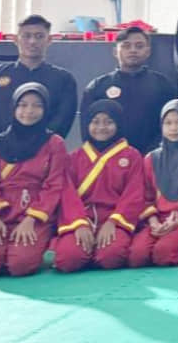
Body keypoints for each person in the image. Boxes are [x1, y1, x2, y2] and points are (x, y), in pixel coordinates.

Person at [0, 83, 69, 279]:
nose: (29, 111)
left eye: (37, 105)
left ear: (46, 109)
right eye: (23, 105)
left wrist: (31, 220)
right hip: (0, 214)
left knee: (20, 266)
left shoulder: (54, 144)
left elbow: (54, 186)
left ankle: (34, 248)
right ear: (13, 107)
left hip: (34, 215)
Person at [52, 99, 144, 272]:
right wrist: (79, 223)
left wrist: (113, 222)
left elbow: (134, 194)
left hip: (114, 219)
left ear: (119, 124)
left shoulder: (132, 156)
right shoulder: (74, 157)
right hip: (81, 217)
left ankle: (98, 250)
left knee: (110, 258)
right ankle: (79, 249)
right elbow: (67, 194)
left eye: (108, 122)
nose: (101, 127)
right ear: (87, 124)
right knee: (68, 260)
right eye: (95, 122)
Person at [0, 15, 77, 155]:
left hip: (43, 155)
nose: (32, 41)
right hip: (0, 156)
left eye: (39, 36)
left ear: (49, 40)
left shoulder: (64, 79)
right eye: (26, 36)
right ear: (16, 39)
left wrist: (38, 151)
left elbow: (62, 121)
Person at [128, 99, 178, 268]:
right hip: (157, 219)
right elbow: (145, 196)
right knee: (137, 255)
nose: (174, 128)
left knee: (164, 253)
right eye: (168, 123)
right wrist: (154, 222)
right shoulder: (152, 159)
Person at [81, 26, 178, 154]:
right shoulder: (98, 86)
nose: (133, 50)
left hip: (153, 156)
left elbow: (173, 122)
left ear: (148, 51)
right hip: (110, 157)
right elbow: (87, 128)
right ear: (115, 52)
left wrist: (154, 153)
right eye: (126, 46)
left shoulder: (163, 85)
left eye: (139, 46)